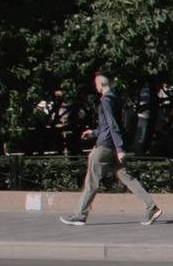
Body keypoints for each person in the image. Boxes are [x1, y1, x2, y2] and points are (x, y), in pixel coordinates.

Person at [63, 72, 157, 226]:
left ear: (101, 84)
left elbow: (113, 125)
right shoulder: (115, 98)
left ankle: (80, 215)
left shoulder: (106, 100)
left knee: (91, 182)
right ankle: (151, 207)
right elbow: (110, 125)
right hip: (112, 144)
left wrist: (119, 148)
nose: (95, 86)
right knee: (127, 178)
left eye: (96, 83)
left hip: (106, 147)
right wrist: (94, 133)